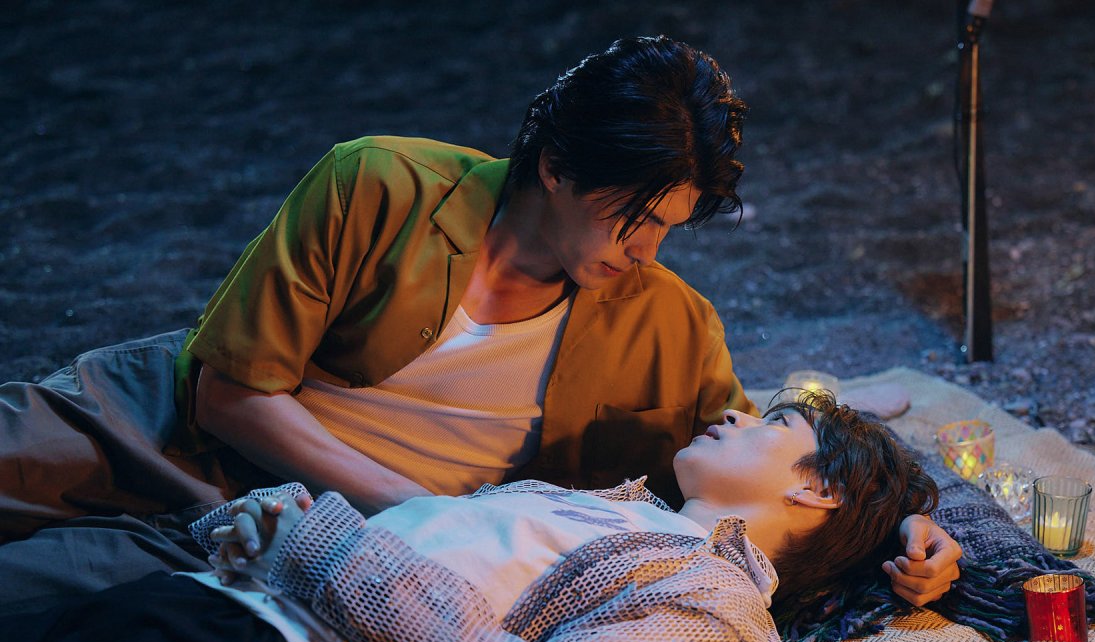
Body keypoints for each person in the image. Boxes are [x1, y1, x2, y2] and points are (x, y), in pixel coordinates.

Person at [0, 35, 958, 608]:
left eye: (668, 227)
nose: (647, 251)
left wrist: (914, 523)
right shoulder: (378, 183)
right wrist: (424, 514)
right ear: (556, 167)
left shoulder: (668, 324)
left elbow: (790, 469)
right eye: (632, 219)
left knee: (49, 606)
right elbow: (229, 394)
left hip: (297, 539)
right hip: (152, 428)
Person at [0, 393, 939, 642]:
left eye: (773, 421)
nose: (735, 410)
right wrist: (264, 529)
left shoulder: (722, 618)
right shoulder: (605, 507)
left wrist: (318, 545)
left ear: (819, 491)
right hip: (197, 599)